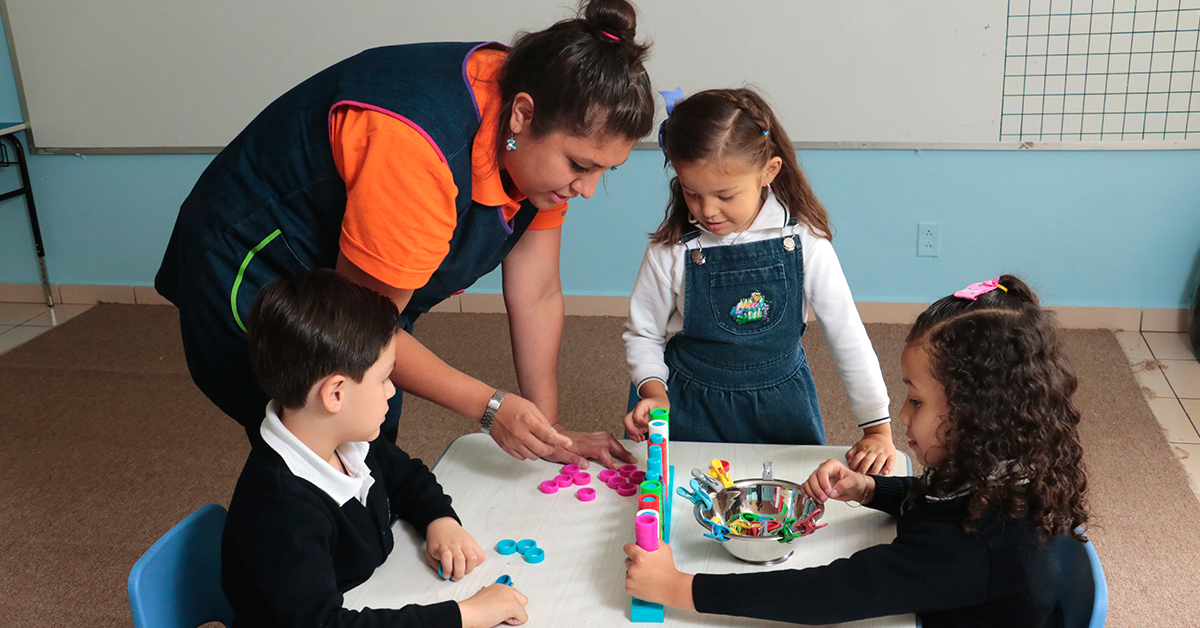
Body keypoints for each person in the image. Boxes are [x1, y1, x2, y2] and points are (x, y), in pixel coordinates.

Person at [155, 0, 653, 469]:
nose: (587, 189)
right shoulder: (418, 149)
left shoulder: (541, 116)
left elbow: (538, 293)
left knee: (369, 434)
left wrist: (549, 433)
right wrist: (492, 407)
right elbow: (363, 325)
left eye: (604, 172)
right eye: (580, 166)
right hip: (254, 258)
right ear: (522, 115)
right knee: (316, 443)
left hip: (358, 294)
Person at [623, 274, 1091, 627]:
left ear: (978, 416)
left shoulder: (968, 550)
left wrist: (681, 587)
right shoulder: (1005, 472)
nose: (902, 415)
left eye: (917, 400)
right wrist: (869, 489)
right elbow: (942, 500)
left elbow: (829, 593)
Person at [222, 269, 528, 628]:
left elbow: (406, 476)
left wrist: (438, 519)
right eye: (384, 379)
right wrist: (465, 614)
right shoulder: (283, 511)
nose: (391, 391)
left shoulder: (341, 439)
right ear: (335, 394)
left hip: (368, 592)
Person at [623, 88, 895, 474]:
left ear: (768, 172)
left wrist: (877, 428)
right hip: (688, 402)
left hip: (780, 405)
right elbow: (643, 333)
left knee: (783, 503)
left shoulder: (806, 243)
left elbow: (847, 335)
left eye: (725, 195)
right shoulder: (671, 249)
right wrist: (654, 392)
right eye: (692, 192)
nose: (707, 210)